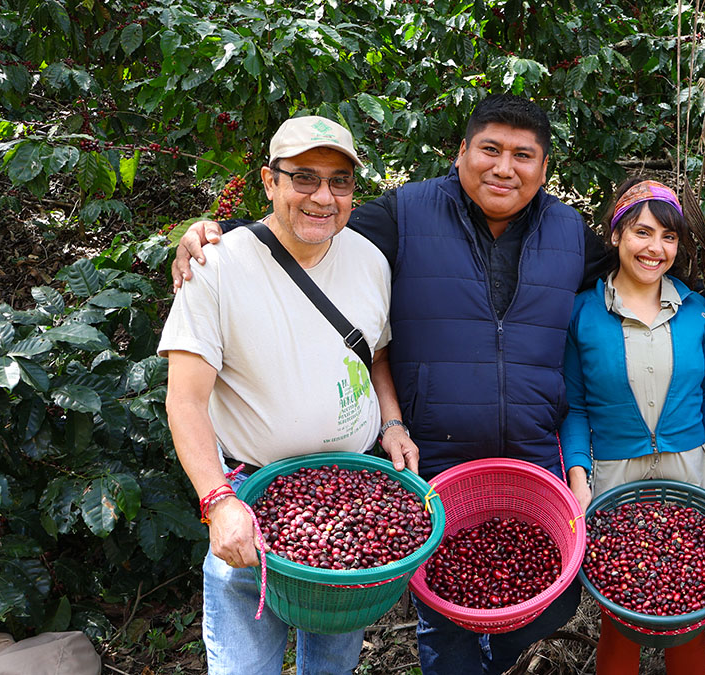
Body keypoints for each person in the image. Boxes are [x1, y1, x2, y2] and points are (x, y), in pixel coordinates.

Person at [170, 94, 607, 675]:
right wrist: (211, 233)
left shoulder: (570, 232)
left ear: (545, 168)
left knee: (552, 594)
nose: (505, 167)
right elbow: (302, 231)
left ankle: (492, 651)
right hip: (434, 456)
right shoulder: (406, 213)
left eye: (523, 155)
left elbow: (637, 274)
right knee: (444, 615)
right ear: (461, 154)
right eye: (490, 149)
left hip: (530, 455)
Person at [160, 116, 416, 675]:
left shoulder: (370, 261)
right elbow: (184, 401)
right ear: (269, 182)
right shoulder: (216, 265)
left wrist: (392, 423)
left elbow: (373, 354)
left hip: (349, 498)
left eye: (340, 180)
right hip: (251, 500)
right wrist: (217, 502)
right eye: (303, 177)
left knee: (332, 663)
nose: (323, 196)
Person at [561, 179, 705, 673]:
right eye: (643, 232)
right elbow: (575, 408)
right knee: (619, 604)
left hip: (689, 473)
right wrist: (579, 480)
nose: (656, 248)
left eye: (668, 237)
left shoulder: (694, 312)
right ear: (617, 234)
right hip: (613, 477)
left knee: (689, 605)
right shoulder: (583, 312)